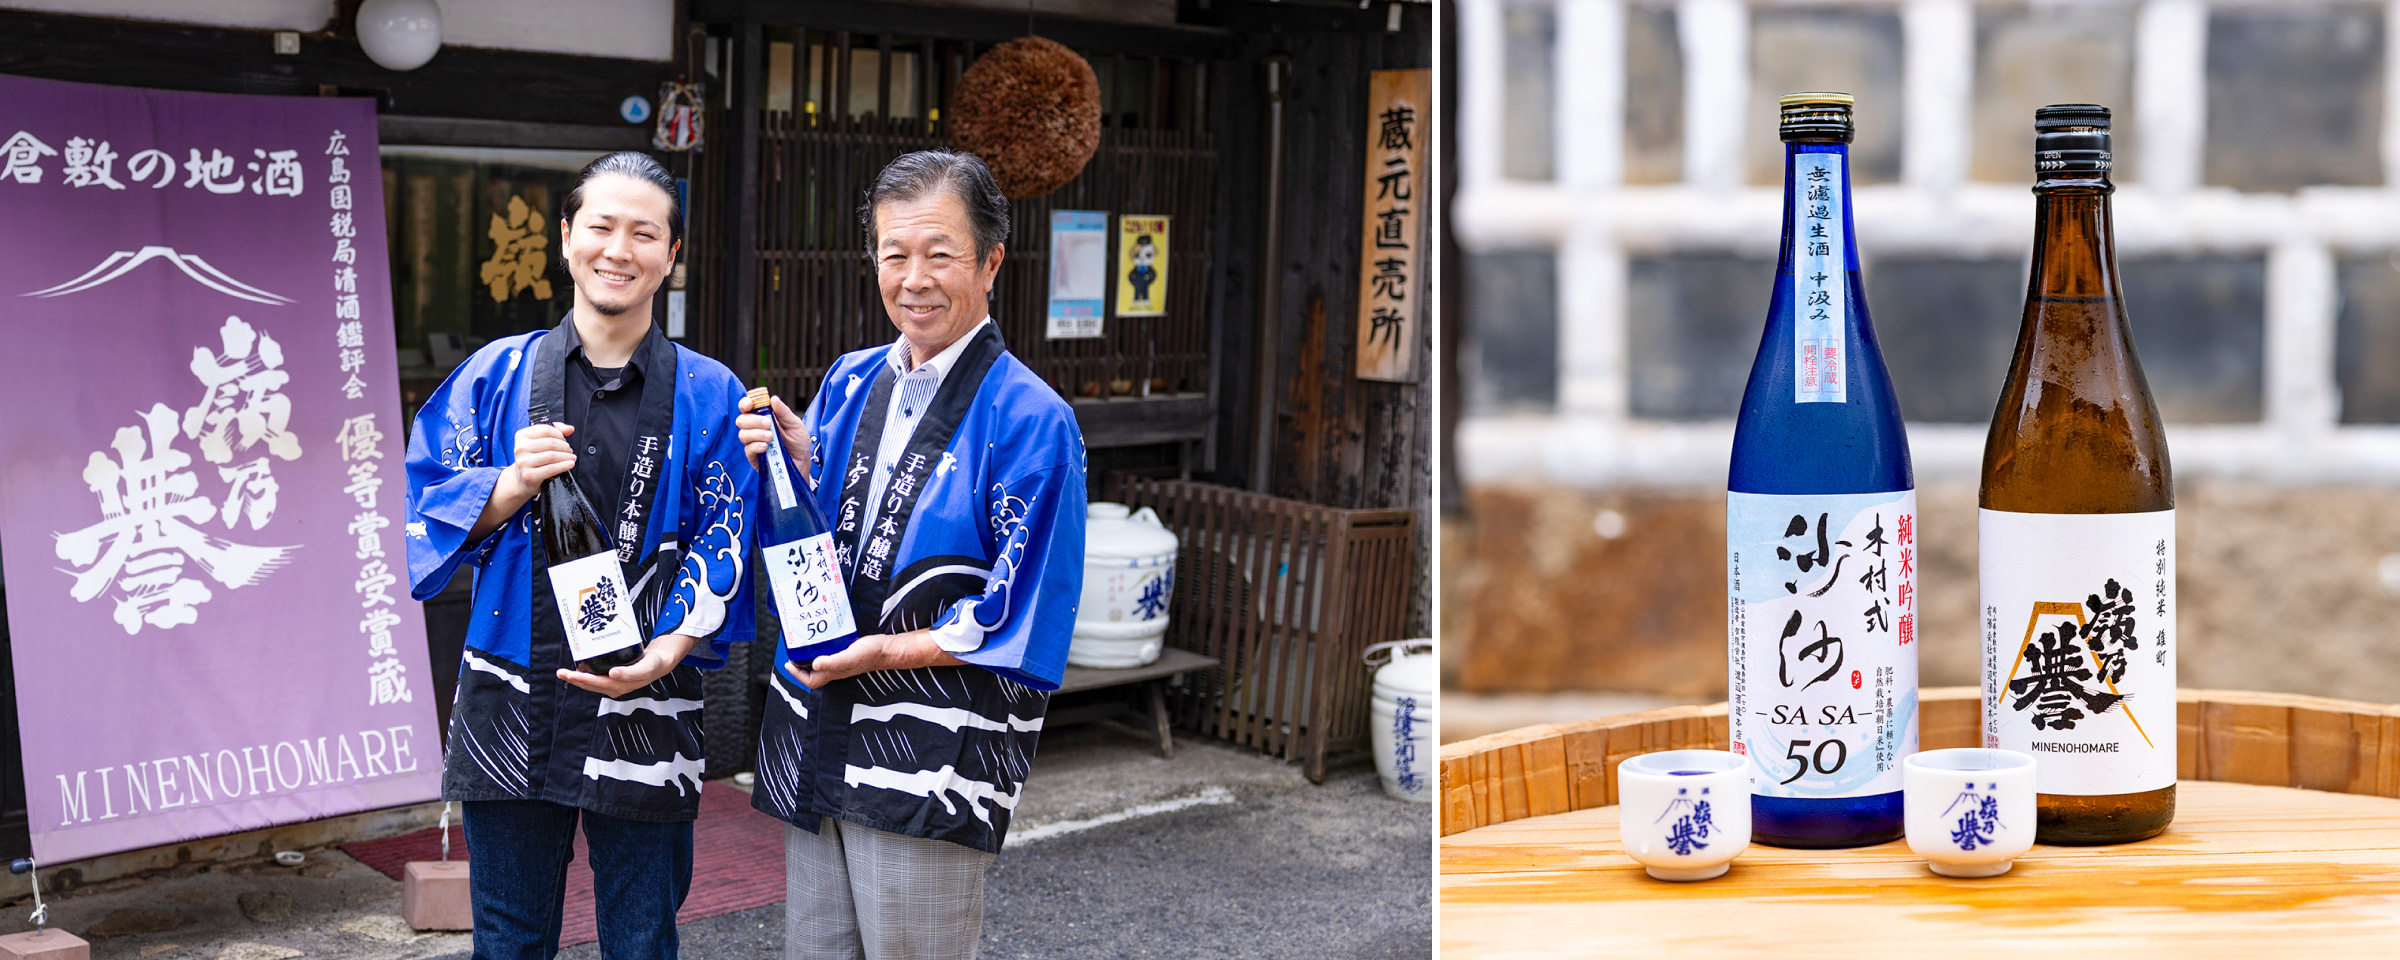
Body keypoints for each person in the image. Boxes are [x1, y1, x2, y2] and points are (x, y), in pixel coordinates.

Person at [737, 149, 1086, 960]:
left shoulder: (1033, 417)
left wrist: (885, 650)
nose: (914, 278)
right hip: (818, 725)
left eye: (939, 253)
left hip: (929, 748)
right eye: (895, 254)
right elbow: (826, 536)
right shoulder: (852, 378)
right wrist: (802, 464)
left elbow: (1026, 603)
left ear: (992, 260)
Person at [404, 151, 754, 960]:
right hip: (510, 698)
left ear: (672, 256)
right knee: (508, 939)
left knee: (640, 939)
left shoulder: (709, 393)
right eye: (600, 226)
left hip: (650, 698)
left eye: (644, 233)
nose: (618, 250)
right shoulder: (494, 377)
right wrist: (512, 483)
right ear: (567, 238)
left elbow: (726, 538)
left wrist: (664, 651)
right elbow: (428, 500)